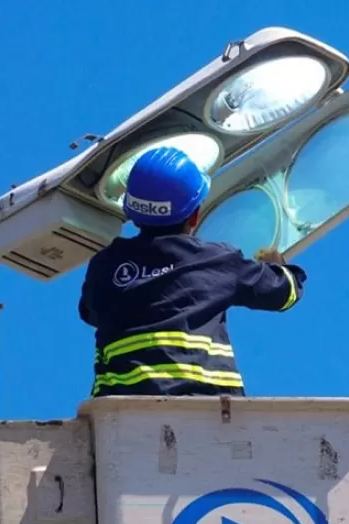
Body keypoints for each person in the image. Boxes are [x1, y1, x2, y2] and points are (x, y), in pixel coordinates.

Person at [78, 146, 307, 398]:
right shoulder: (218, 261)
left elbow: (90, 312)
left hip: (121, 410)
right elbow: (284, 293)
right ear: (195, 215)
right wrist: (280, 266)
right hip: (206, 409)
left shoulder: (105, 265)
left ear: (132, 212)